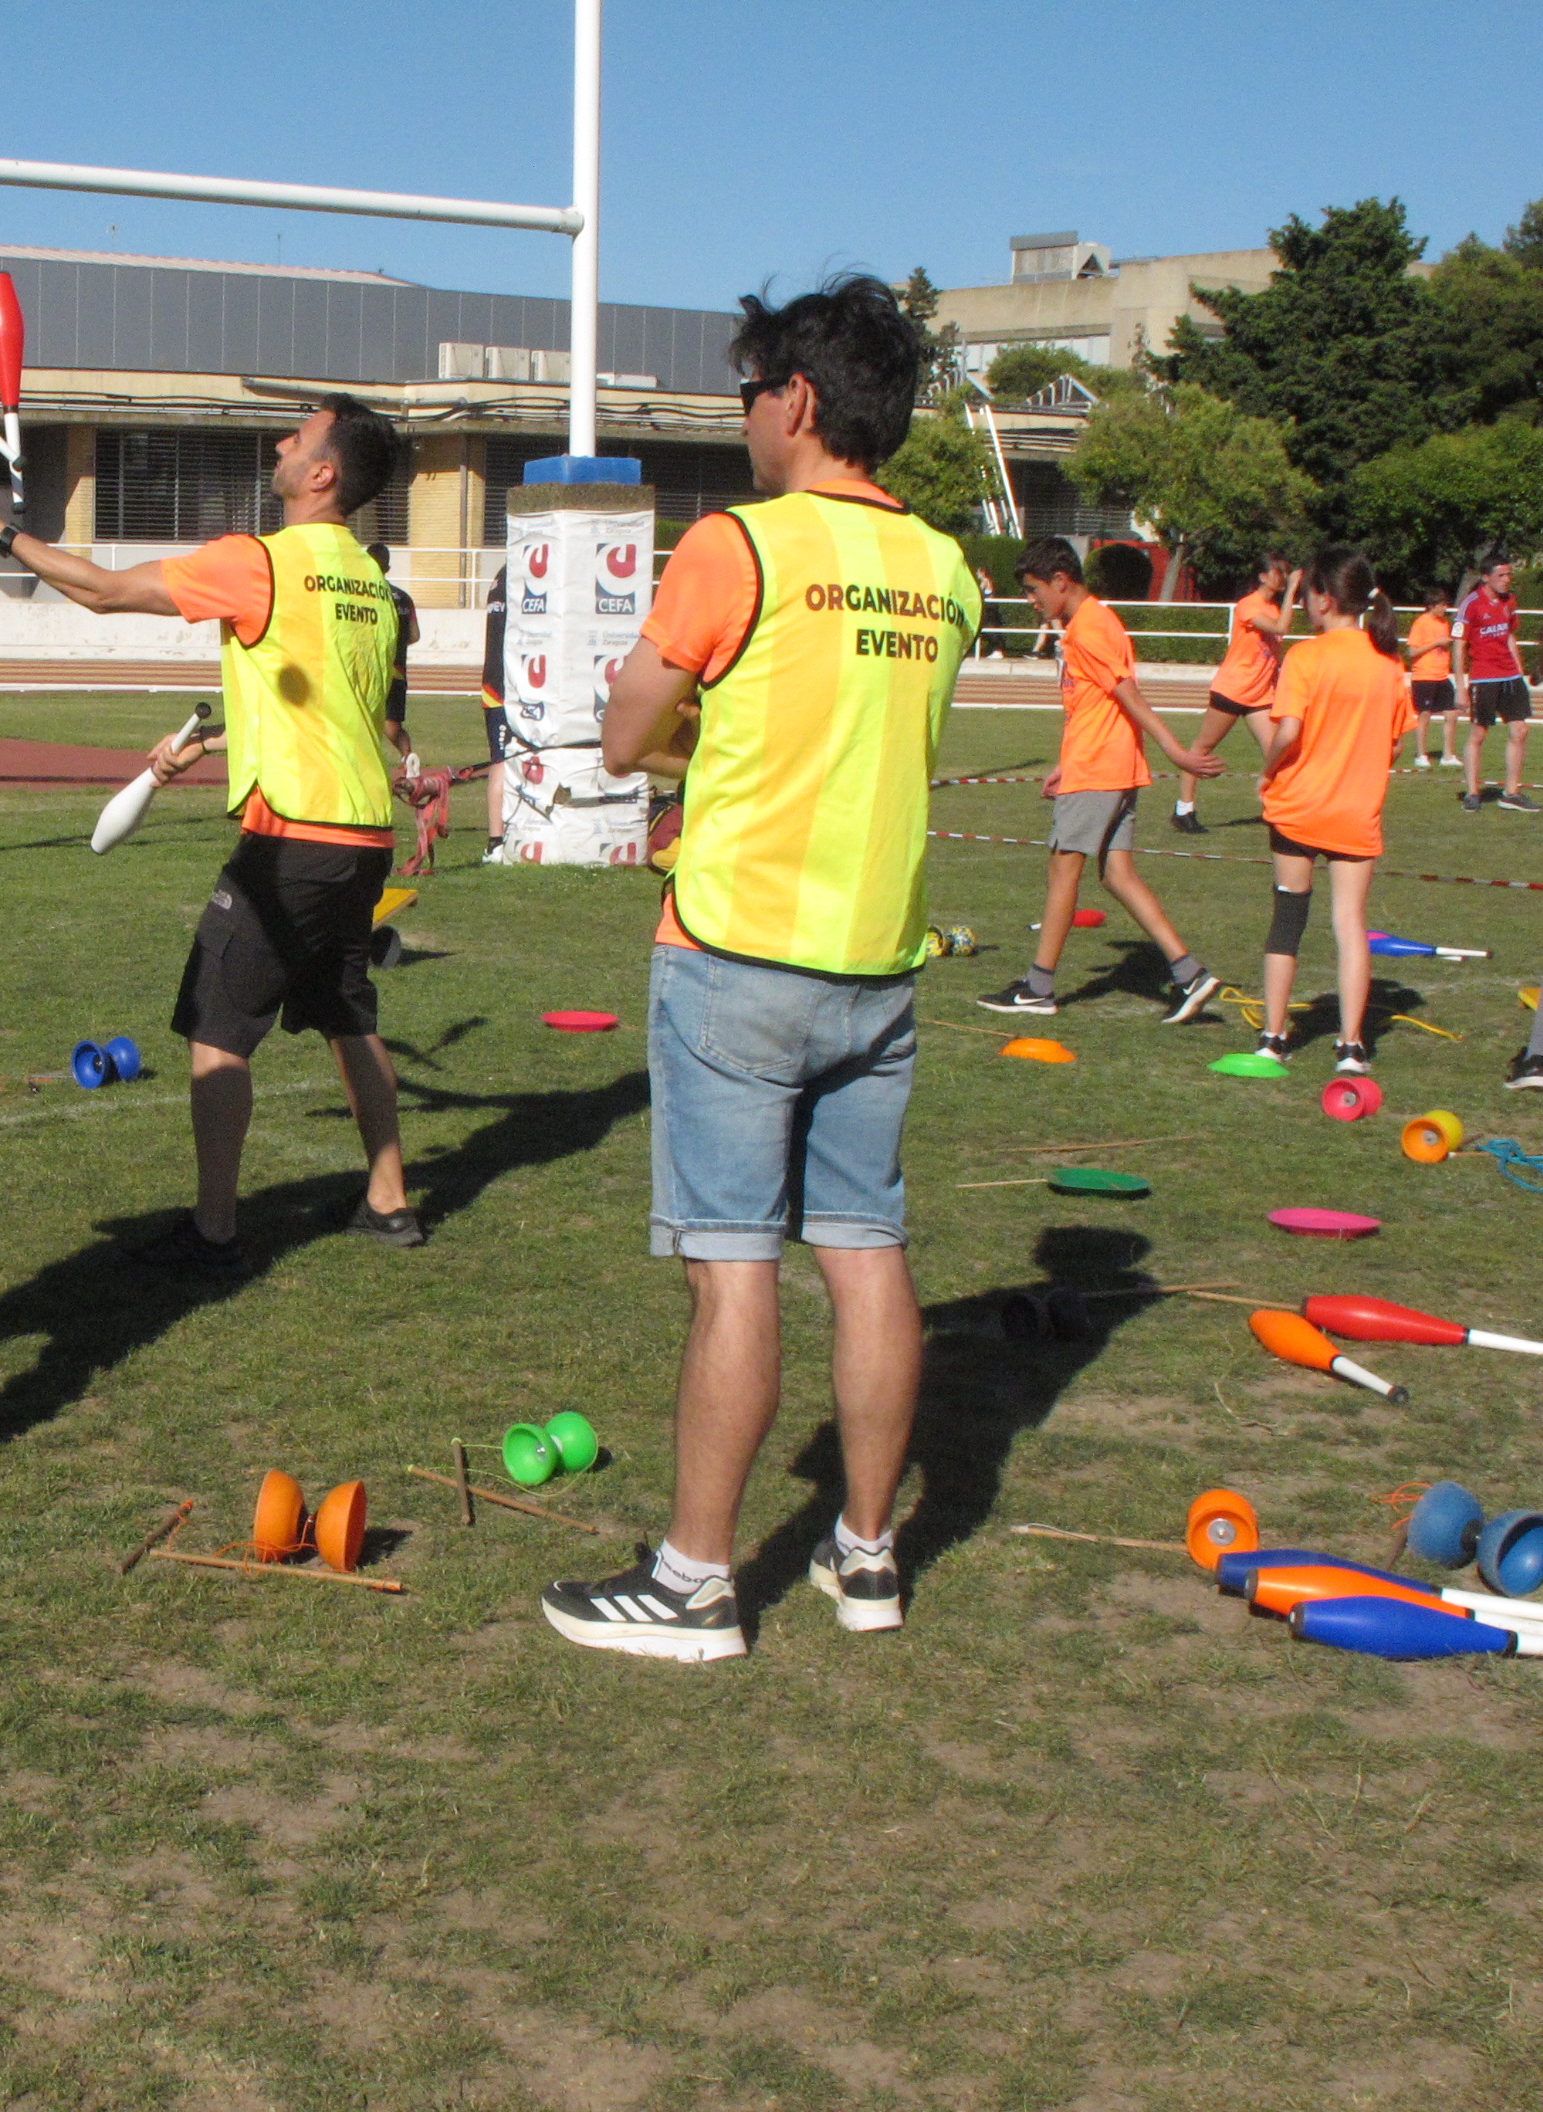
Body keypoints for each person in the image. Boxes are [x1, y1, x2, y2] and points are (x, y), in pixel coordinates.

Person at [536, 275, 979, 1662]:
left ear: (795, 398)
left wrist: (685, 738)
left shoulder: (740, 543)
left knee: (732, 1271)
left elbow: (624, 733)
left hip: (735, 957)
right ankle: (867, 1555)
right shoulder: (947, 568)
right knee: (865, 1253)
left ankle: (694, 1582)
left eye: (744, 393)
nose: (738, 420)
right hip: (876, 965)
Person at [0, 397, 419, 1265]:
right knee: (349, 1017)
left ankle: (214, 1229)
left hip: (291, 838)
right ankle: (389, 1205)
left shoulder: (259, 562)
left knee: (217, 1028)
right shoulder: (374, 587)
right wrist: (221, 741)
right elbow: (340, 716)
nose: (280, 442)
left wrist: (2, 534)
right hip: (362, 839)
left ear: (322, 473)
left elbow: (103, 591)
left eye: (299, 436)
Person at [978, 539, 1224, 1024]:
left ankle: (1037, 988)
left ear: (1060, 580)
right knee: (1116, 875)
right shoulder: (1089, 624)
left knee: (1062, 871)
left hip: (1100, 769)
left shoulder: (1091, 628)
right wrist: (1064, 761)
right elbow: (1092, 706)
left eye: (1034, 590)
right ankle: (1190, 974)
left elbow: (1129, 697)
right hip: (1104, 764)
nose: (1031, 601)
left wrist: (1175, 751)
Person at [1251, 549, 1414, 1075]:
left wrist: (1267, 770)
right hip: (1355, 812)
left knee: (1287, 919)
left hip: (1298, 807)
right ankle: (1351, 1045)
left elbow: (1288, 732)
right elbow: (1394, 745)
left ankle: (1273, 1037)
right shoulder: (1389, 663)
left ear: (1323, 598)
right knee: (1350, 924)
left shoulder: (1305, 657)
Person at [1172, 554, 1295, 833]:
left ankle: (1277, 808)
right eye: (1278, 571)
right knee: (1201, 750)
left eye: (1285, 572)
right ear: (1262, 576)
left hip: (1259, 695)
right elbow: (1281, 628)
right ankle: (1183, 810)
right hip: (1233, 690)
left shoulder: (1273, 608)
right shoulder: (1248, 604)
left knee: (1276, 751)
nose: (1283, 577)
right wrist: (1292, 593)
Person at [1458, 553, 1533, 812]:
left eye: (1509, 574)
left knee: (1520, 730)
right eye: (1501, 575)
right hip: (1484, 677)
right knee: (1478, 734)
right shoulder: (1471, 604)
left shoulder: (1509, 600)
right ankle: (1472, 793)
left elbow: (1509, 635)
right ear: (1486, 577)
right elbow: (1459, 645)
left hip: (1510, 676)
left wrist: (1519, 672)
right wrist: (1460, 687)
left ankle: (1511, 793)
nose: (1507, 579)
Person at [368, 542, 421, 761]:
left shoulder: (365, 595)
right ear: (387, 568)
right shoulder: (404, 597)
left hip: (370, 668)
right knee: (392, 725)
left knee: (362, 718)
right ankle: (408, 758)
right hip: (397, 670)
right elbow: (414, 635)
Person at [476, 561, 514, 860]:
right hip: (505, 685)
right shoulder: (520, 574)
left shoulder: (502, 573)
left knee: (503, 759)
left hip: (495, 681)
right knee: (501, 761)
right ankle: (496, 840)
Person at [1403, 586, 1458, 770]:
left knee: (1451, 713)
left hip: (1442, 675)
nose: (1445, 608)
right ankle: (1421, 755)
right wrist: (1436, 643)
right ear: (1432, 605)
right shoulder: (1421, 623)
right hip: (1424, 676)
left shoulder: (1444, 624)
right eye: (1442, 605)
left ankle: (1448, 755)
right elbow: (1412, 651)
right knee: (1424, 715)